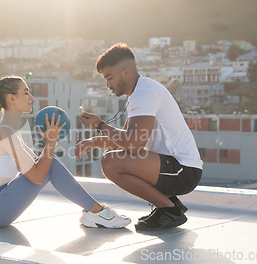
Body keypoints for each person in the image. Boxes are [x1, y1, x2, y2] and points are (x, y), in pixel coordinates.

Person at [75, 43, 203, 231]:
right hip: (174, 167)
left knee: (110, 162)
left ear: (126, 72)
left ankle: (169, 209)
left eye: (109, 78)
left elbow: (133, 144)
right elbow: (125, 141)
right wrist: (94, 142)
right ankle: (169, 204)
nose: (107, 85)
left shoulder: (145, 93)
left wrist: (100, 125)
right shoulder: (140, 92)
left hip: (183, 170)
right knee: (113, 158)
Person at [0, 75, 130, 228]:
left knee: (50, 161)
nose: (31, 97)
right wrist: (50, 142)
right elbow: (37, 176)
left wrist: (50, 142)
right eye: (25, 92)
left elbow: (40, 164)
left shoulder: (9, 132)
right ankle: (98, 212)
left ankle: (95, 212)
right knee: (50, 163)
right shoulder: (5, 133)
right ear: (11, 98)